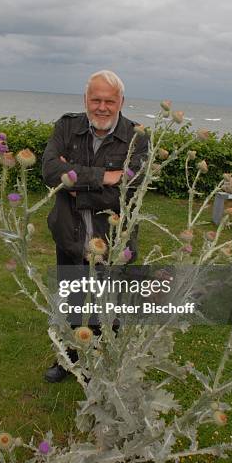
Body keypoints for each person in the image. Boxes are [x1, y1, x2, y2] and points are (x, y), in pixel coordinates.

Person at [42, 70, 149, 382]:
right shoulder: (66, 126)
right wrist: (105, 176)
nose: (102, 107)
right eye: (96, 99)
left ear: (121, 102)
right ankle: (67, 359)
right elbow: (50, 171)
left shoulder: (138, 138)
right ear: (86, 99)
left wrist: (75, 184)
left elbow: (129, 189)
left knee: (108, 307)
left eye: (109, 101)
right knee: (72, 300)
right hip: (70, 235)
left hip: (114, 240)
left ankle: (102, 366)